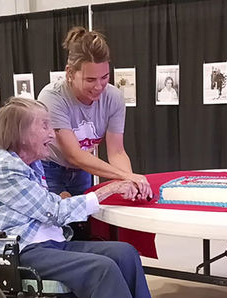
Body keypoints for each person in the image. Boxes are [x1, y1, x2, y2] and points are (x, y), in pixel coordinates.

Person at [0, 97, 200, 298]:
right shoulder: (1, 167)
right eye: (44, 126)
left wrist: (68, 199)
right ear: (20, 133)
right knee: (102, 270)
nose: (51, 133)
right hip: (18, 251)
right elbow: (53, 211)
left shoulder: (29, 162)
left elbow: (43, 208)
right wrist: (110, 188)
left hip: (45, 242)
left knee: (124, 254)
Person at [37, 27, 152, 200]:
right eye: (90, 80)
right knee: (57, 222)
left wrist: (130, 181)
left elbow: (117, 152)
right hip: (50, 167)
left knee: (85, 221)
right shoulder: (52, 97)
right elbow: (73, 154)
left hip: (83, 169)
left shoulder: (114, 98)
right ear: (69, 73)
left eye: (104, 77)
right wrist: (125, 176)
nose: (99, 86)